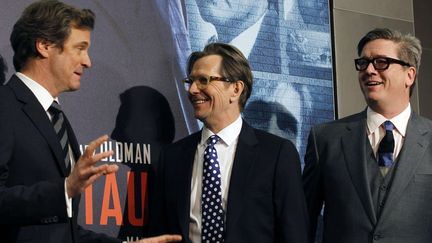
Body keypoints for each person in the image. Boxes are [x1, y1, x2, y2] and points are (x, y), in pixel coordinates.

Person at [0, 1, 181, 243]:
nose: (88, 62)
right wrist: (64, 190)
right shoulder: (5, 105)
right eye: (80, 48)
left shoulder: (56, 118)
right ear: (44, 46)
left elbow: (65, 233)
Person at [150, 42, 309, 242]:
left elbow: (295, 234)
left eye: (203, 80)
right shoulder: (172, 157)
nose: (192, 90)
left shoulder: (277, 154)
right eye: (190, 81)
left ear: (235, 89)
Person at [303, 28, 431, 243]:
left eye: (381, 62)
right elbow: (304, 219)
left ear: (409, 75)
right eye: (363, 63)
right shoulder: (324, 139)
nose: (369, 70)